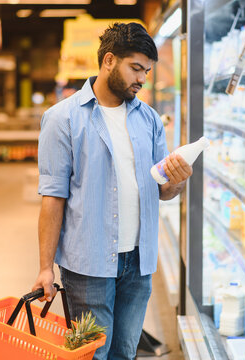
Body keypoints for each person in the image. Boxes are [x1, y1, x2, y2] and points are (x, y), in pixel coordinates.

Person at [33, 22, 193, 359]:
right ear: (108, 60)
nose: (142, 79)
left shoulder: (148, 119)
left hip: (139, 260)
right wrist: (45, 267)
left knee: (125, 351)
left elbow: (163, 192)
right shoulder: (62, 119)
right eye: (135, 68)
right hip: (87, 263)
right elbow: (53, 197)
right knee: (92, 354)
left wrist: (178, 179)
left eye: (147, 71)